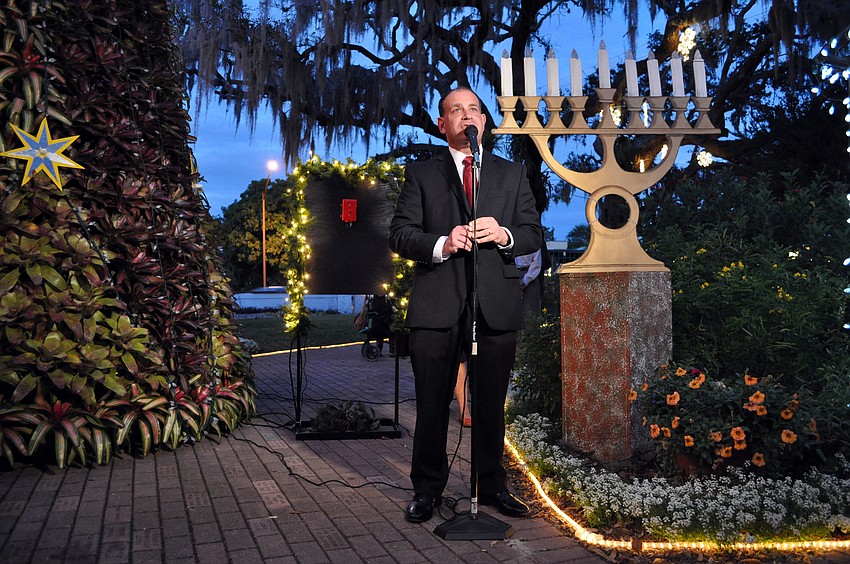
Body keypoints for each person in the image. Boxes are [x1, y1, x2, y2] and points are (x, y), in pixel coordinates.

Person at [389, 86, 543, 523]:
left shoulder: (512, 174)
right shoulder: (422, 174)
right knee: (433, 402)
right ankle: (428, 490)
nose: (466, 115)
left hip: (494, 304)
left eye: (473, 108)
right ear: (442, 125)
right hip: (436, 305)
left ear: (484, 121)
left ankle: (491, 486)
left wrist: (504, 234)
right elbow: (400, 234)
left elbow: (532, 231)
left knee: (491, 403)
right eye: (455, 110)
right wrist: (442, 241)